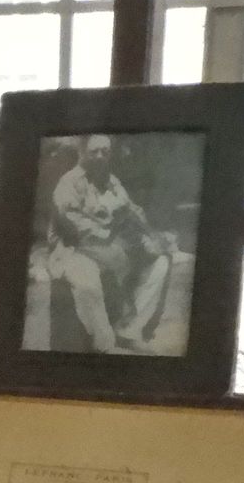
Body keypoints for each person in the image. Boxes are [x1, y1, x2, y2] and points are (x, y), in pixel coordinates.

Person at [23, 135, 178, 354]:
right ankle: (105, 346)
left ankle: (129, 330)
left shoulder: (111, 181)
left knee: (159, 263)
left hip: (110, 250)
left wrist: (151, 236)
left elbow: (132, 210)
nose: (99, 156)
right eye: (94, 151)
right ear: (83, 153)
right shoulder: (69, 183)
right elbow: (74, 226)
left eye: (105, 152)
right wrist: (113, 236)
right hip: (72, 250)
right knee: (87, 281)